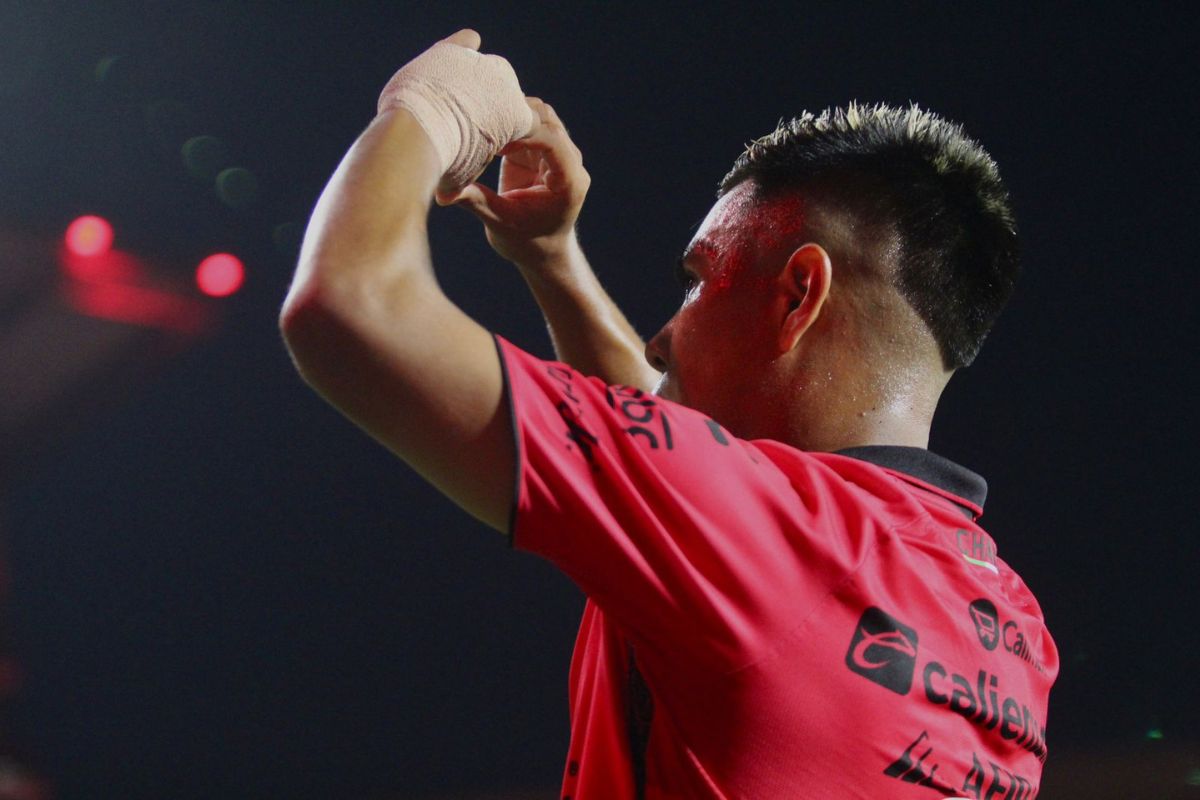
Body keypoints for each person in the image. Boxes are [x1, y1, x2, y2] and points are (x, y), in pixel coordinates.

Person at [280, 29, 1058, 799]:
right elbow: (682, 453)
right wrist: (550, 260)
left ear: (797, 295)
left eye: (698, 281)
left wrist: (432, 108)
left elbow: (349, 308)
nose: (661, 335)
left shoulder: (767, 537)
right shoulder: (1014, 629)